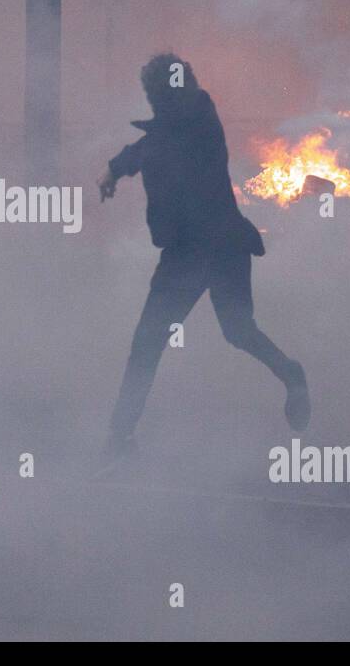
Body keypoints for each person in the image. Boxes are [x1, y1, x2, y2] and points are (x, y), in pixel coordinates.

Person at [99, 54, 309, 460]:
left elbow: (156, 142)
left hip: (197, 252)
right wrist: (114, 168)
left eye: (157, 92)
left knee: (151, 342)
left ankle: (118, 440)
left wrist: (116, 167)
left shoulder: (198, 124)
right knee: (235, 331)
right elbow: (148, 146)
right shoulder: (174, 130)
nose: (155, 100)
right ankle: (290, 373)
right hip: (215, 247)